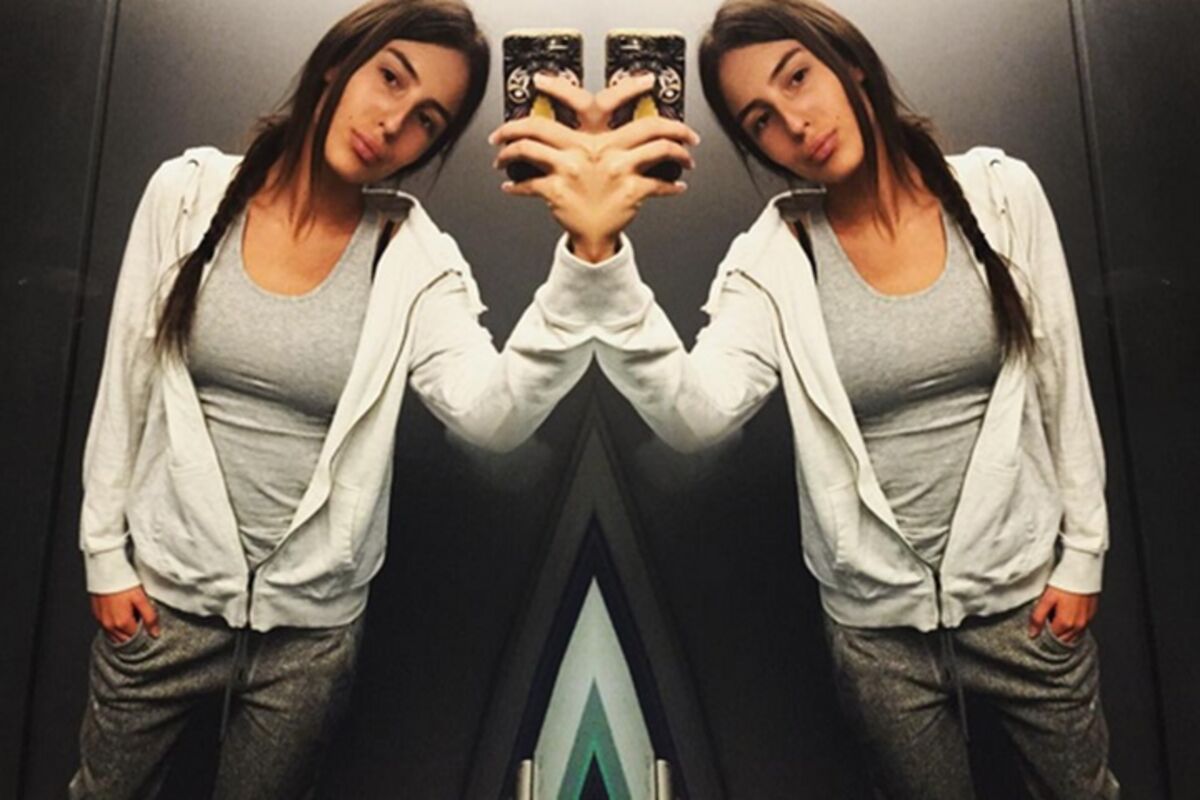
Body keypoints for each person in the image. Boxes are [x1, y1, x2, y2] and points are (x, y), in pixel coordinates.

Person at [490, 1, 1119, 797]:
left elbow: (1061, 378)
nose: (794, 123)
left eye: (797, 79)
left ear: (849, 63)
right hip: (878, 636)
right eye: (761, 119)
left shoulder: (1000, 196)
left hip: (1026, 605)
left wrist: (1082, 557)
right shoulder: (775, 255)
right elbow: (697, 418)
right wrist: (603, 254)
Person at [70, 1, 654, 796]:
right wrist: (106, 558)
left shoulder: (412, 255)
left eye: (426, 120)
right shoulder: (187, 195)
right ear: (337, 65)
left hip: (309, 637)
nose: (393, 124)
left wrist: (585, 255)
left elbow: (490, 417)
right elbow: (127, 380)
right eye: (390, 79)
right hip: (162, 606)